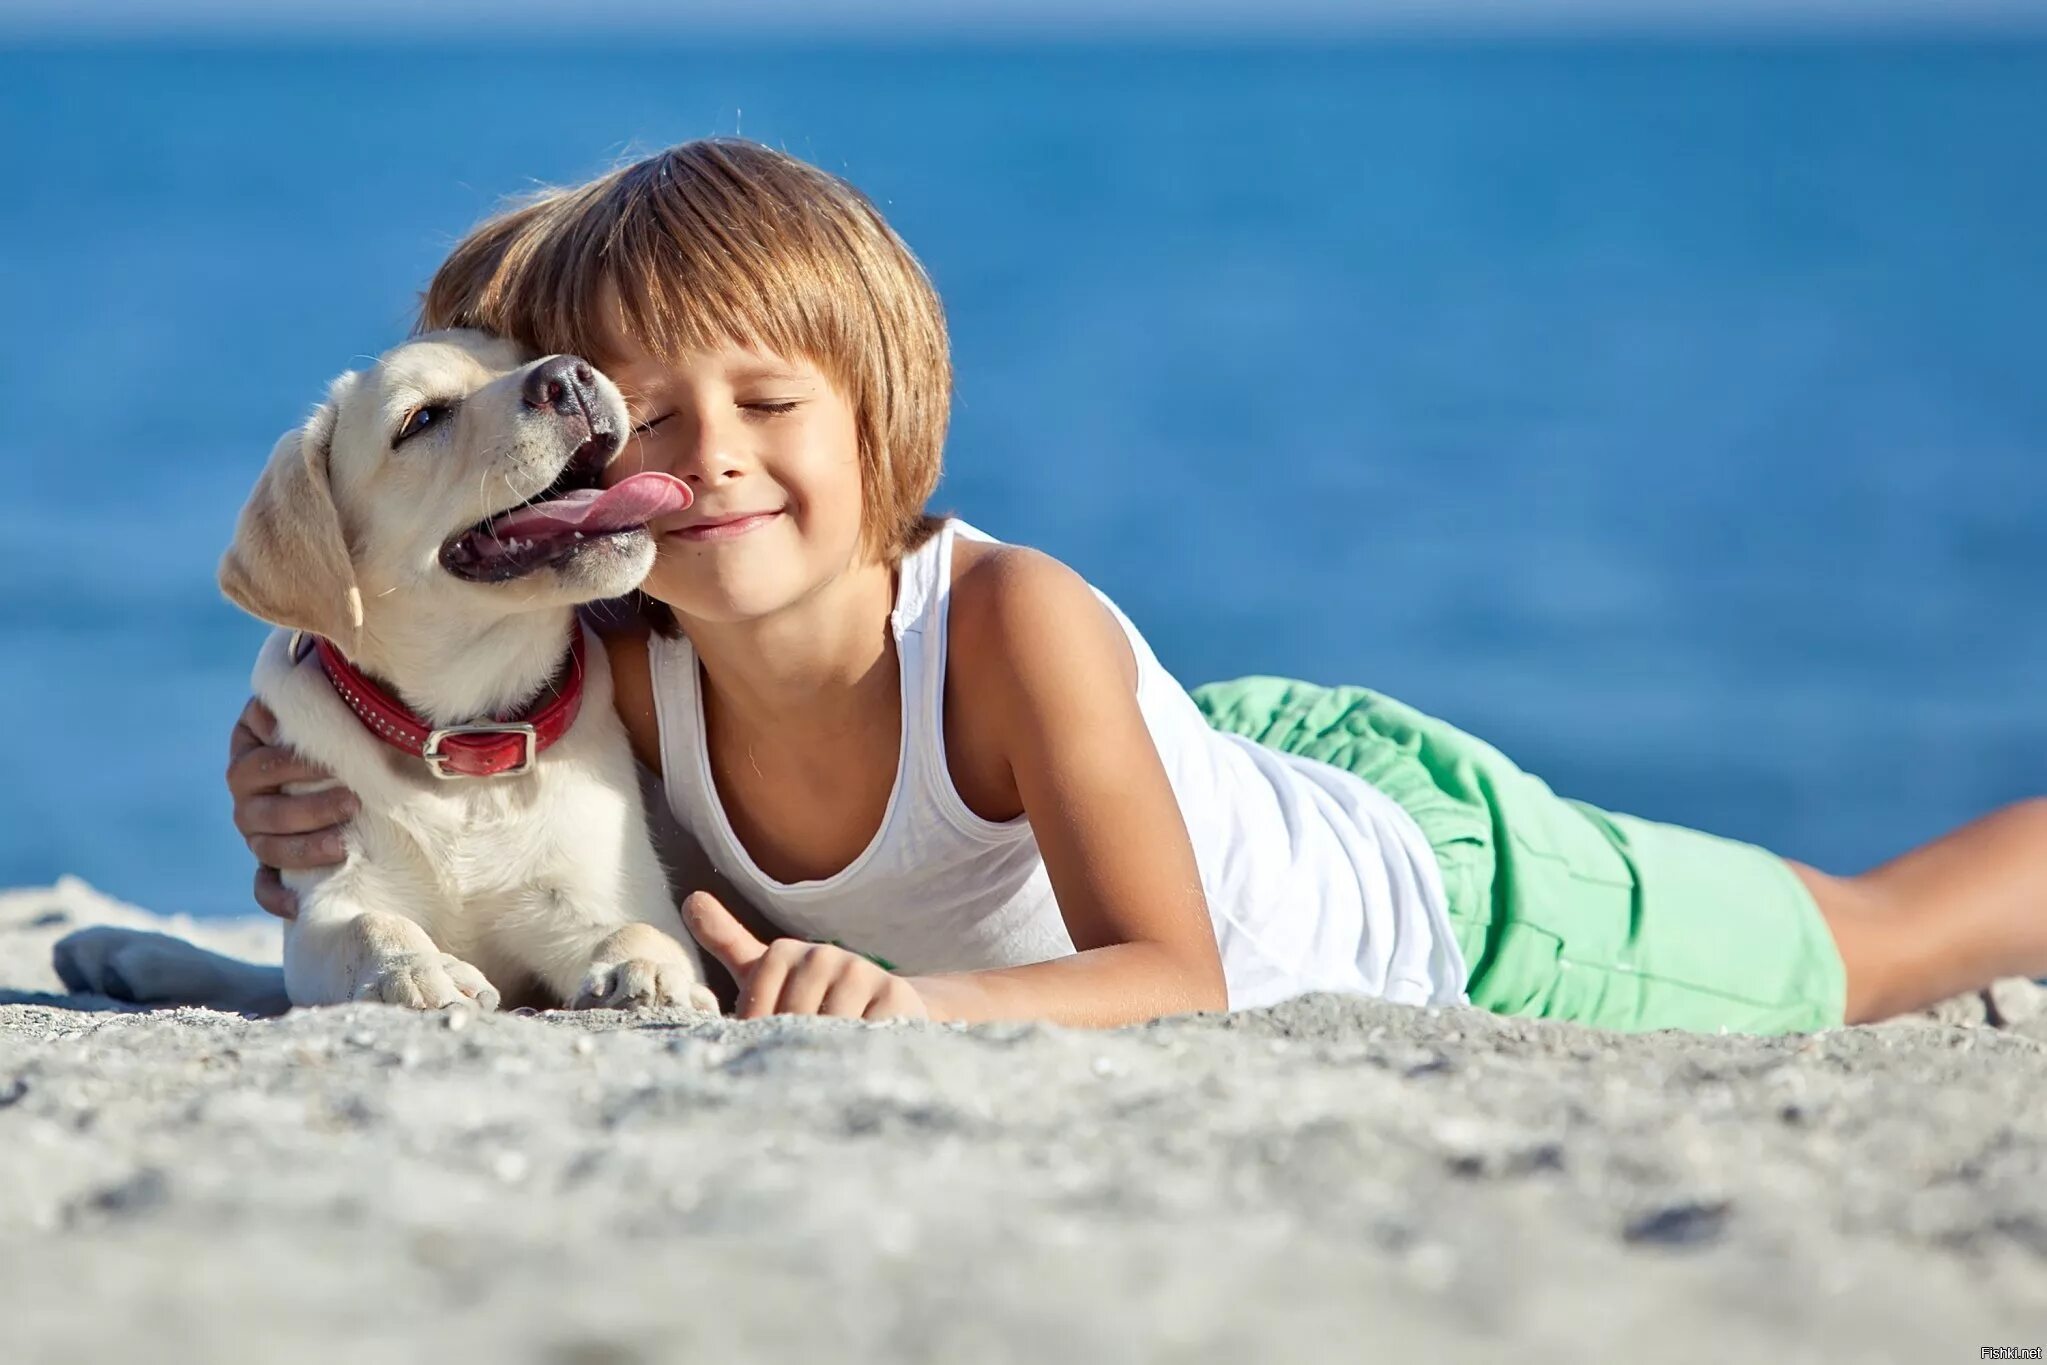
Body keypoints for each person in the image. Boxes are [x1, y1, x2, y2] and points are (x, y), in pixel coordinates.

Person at [226, 139, 2047, 1032]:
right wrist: (283, 794)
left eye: (773, 404)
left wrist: (914, 1010)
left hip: (1439, 891)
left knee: (1884, 940)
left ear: (885, 423)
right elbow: (429, 730)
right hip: (1197, 757)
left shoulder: (1012, 622)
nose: (710, 458)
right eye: (660, 421)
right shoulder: (617, 659)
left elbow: (1175, 973)